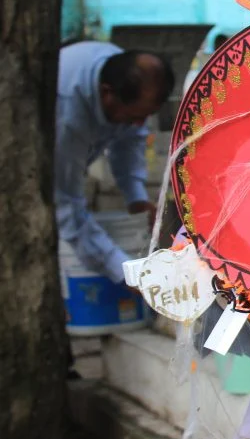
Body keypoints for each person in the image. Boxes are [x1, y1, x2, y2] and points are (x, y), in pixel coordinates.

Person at [56, 41, 174, 286]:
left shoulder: (123, 71)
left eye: (145, 117)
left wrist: (136, 198)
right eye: (133, 116)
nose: (139, 125)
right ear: (106, 93)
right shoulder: (67, 117)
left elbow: (130, 140)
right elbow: (66, 205)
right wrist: (124, 273)